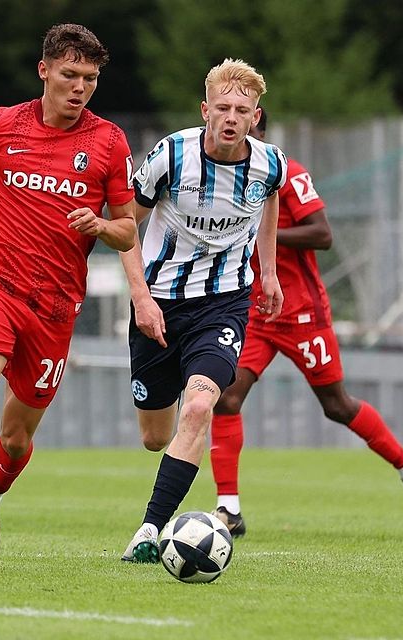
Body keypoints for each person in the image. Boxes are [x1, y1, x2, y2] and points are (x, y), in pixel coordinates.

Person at [0, 23, 137, 569]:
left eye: (90, 78)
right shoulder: (1, 125)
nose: (80, 87)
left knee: (15, 439)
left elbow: (129, 229)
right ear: (44, 70)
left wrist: (100, 226)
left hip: (56, 307)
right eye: (70, 74)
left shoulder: (109, 142)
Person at [207, 109, 403, 537]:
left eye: (244, 122)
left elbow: (322, 234)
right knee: (226, 396)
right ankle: (229, 509)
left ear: (259, 129)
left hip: (301, 313)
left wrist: (262, 234)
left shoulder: (288, 174)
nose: (234, 129)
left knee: (336, 405)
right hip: (254, 312)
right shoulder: (220, 179)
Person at [120, 58, 286, 563]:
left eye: (242, 110)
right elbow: (125, 225)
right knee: (155, 437)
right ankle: (171, 444)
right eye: (223, 108)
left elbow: (270, 202)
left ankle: (149, 530)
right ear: (205, 110)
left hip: (224, 305)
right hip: (160, 304)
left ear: (256, 116)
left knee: (198, 409)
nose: (231, 118)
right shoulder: (172, 155)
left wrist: (269, 271)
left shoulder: (270, 164)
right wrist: (141, 297)